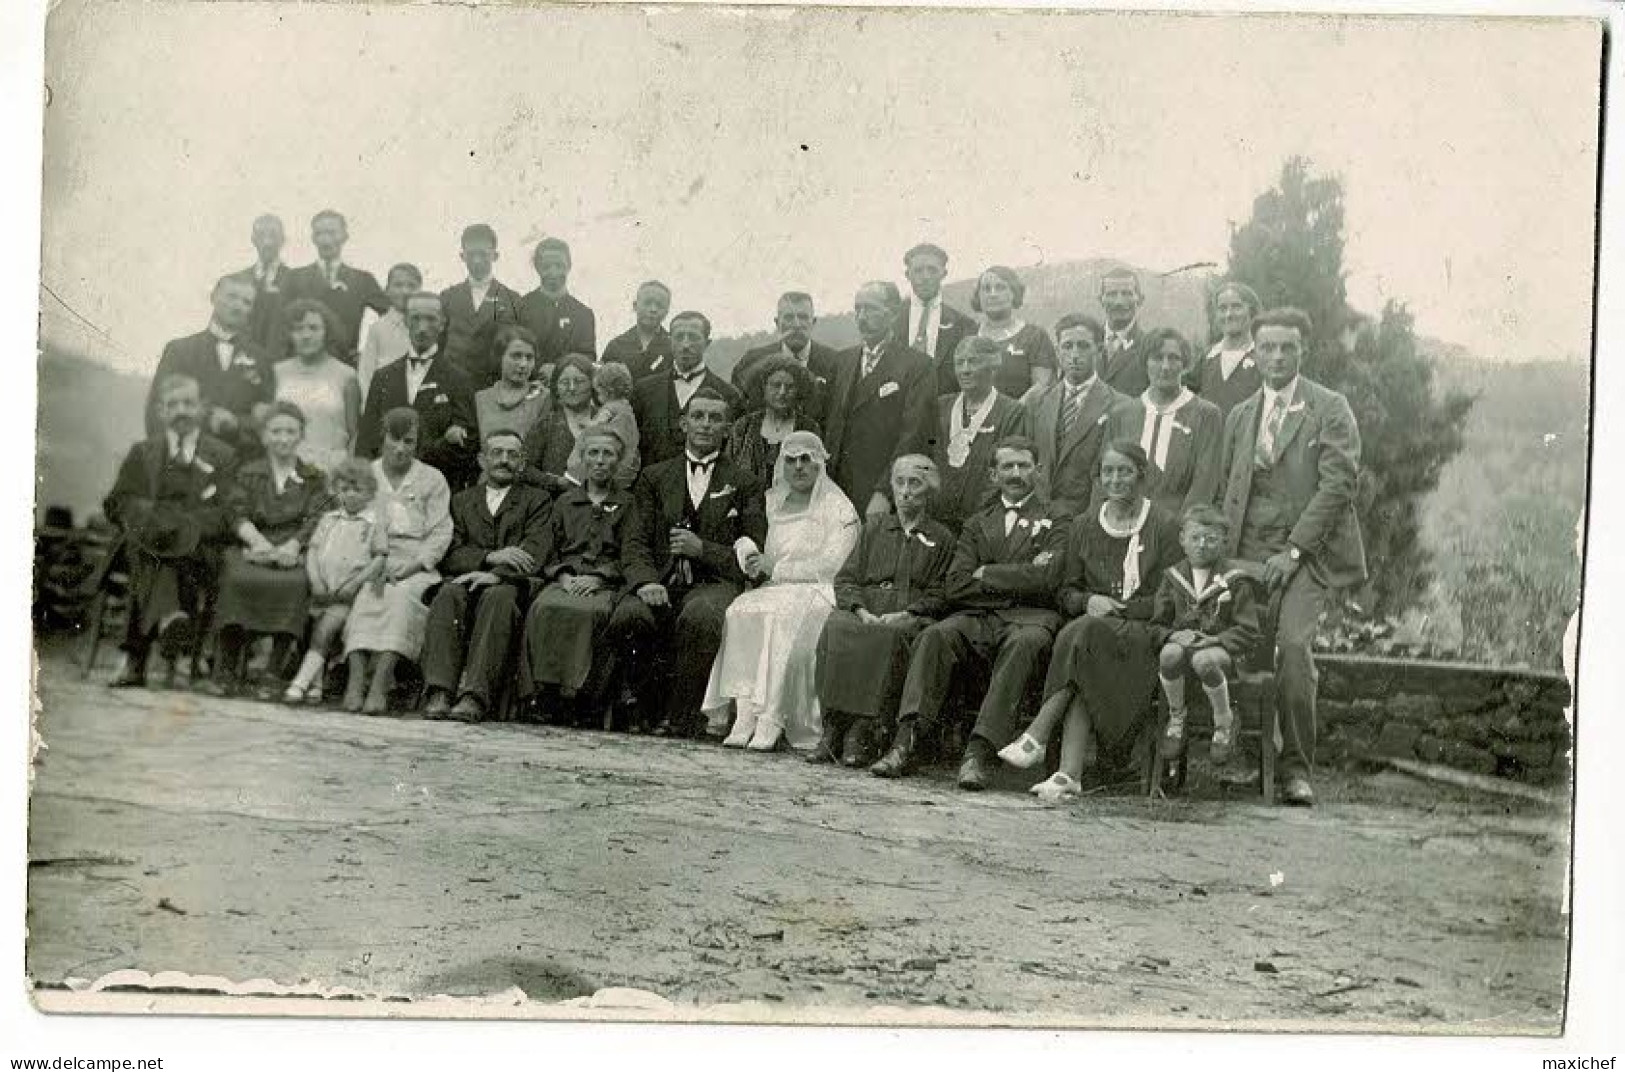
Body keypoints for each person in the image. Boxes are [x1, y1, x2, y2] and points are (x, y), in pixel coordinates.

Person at [1216, 307, 1367, 806]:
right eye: (1267, 348)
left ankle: (1296, 768)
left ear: (1303, 351)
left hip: (1306, 555)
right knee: (1232, 643)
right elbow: (1228, 491)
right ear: (1254, 354)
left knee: (1295, 650)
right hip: (1245, 552)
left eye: (1287, 347)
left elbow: (1338, 484)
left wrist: (1295, 549)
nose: (1277, 357)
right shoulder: (1240, 416)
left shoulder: (1329, 407)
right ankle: (1242, 755)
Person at [871, 437, 1066, 789]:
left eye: (1024, 466)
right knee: (936, 635)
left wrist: (988, 573)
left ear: (1037, 471)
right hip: (977, 617)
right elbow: (956, 585)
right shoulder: (977, 523)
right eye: (1007, 466)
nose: (1016, 473)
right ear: (993, 474)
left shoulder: (1056, 519)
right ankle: (906, 741)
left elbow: (1049, 579)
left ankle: (979, 753)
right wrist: (1023, 574)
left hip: (1031, 618)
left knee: (1023, 644)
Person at [997, 441, 1182, 802]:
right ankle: (1068, 775)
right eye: (1108, 471)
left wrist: (1119, 610)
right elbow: (1066, 592)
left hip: (1143, 636)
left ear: (1141, 476)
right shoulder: (1083, 525)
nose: (1116, 479)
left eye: (1125, 471)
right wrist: (1088, 600)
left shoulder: (1164, 525)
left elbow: (1170, 599)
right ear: (1099, 477)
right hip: (1093, 646)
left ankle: (1037, 734)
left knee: (1083, 633)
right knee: (1085, 645)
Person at [609, 387, 767, 736]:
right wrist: (647, 582)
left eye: (715, 418)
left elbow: (753, 552)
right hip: (660, 578)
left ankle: (680, 715)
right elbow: (634, 540)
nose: (706, 425)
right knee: (630, 614)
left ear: (727, 428)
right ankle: (640, 709)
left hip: (713, 582)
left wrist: (703, 550)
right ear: (684, 423)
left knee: (700, 615)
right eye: (698, 416)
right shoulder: (653, 477)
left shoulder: (745, 483)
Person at [704, 431, 860, 752]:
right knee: (741, 609)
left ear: (819, 464)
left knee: (781, 614)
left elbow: (834, 564)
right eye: (791, 460)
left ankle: (772, 716)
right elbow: (752, 541)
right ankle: (745, 710)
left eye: (807, 460)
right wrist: (748, 552)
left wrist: (775, 569)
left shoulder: (839, 508)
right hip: (776, 587)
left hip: (819, 590)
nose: (799, 467)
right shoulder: (772, 502)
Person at [813, 455, 955, 767]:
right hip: (867, 608)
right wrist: (859, 609)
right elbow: (846, 578)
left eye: (914, 483)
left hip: (908, 616)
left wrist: (909, 611)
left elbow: (941, 591)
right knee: (838, 624)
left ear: (929, 490)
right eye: (899, 482)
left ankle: (862, 731)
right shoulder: (875, 528)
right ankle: (834, 726)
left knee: (888, 636)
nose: (905, 491)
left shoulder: (942, 538)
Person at [104, 375, 238, 688]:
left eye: (188, 403)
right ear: (161, 412)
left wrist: (183, 527)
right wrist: (147, 517)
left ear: (202, 408)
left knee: (161, 561)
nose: (181, 410)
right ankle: (172, 628)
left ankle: (135, 660)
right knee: (151, 554)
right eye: (173, 404)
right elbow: (117, 502)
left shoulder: (222, 455)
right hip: (147, 540)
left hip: (196, 548)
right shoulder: (143, 452)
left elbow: (227, 512)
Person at [421, 430, 552, 722]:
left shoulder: (538, 500)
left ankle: (475, 695)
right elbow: (450, 550)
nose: (504, 460)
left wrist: (497, 574)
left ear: (522, 462)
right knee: (448, 593)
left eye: (512, 454)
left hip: (512, 583)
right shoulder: (462, 501)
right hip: (467, 577)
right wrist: (488, 557)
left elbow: (535, 549)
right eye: (497, 453)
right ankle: (440, 690)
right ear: (482, 460)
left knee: (498, 598)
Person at [204, 401, 329, 698]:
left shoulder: (313, 477)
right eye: (276, 431)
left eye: (290, 431)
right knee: (236, 578)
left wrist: (293, 545)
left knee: (297, 582)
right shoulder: (248, 473)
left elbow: (317, 516)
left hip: (293, 548)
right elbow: (236, 512)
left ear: (301, 435)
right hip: (251, 545)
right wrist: (258, 542)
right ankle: (228, 667)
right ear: (264, 436)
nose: (283, 438)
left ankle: (274, 670)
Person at [518, 429, 637, 723]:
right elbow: (550, 549)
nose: (600, 461)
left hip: (605, 582)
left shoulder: (630, 504)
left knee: (594, 612)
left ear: (619, 461)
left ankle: (585, 698)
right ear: (582, 459)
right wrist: (563, 578)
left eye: (607, 454)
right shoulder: (563, 502)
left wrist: (599, 578)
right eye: (593, 453)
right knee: (545, 607)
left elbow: (633, 552)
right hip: (565, 578)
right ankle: (546, 695)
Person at [343, 407, 454, 714]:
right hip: (372, 558)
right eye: (394, 439)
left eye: (409, 441)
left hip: (414, 564)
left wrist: (414, 565)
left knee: (401, 598)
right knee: (368, 594)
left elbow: (440, 531)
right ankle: (355, 680)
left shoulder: (432, 479)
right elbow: (355, 523)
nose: (401, 448)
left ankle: (380, 681)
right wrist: (375, 561)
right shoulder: (368, 475)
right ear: (383, 438)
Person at [1151, 505, 1263, 765]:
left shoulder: (1234, 581)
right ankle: (1177, 716)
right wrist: (1172, 636)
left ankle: (1224, 722)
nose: (1202, 545)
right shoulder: (1173, 578)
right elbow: (1156, 625)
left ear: (1224, 542)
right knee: (1168, 655)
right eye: (1195, 538)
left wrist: (1217, 639)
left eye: (1211, 539)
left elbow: (1249, 630)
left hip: (1221, 653)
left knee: (1204, 660)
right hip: (1182, 650)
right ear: (1182, 540)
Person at [822, 282, 935, 519]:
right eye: (858, 309)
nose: (862, 317)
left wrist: (885, 491)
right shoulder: (842, 362)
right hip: (836, 491)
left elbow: (914, 435)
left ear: (893, 313)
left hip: (881, 492)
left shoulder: (917, 366)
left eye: (871, 309)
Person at [284, 459, 388, 704]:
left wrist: (356, 582)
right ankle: (316, 686)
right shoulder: (329, 519)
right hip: (322, 590)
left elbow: (380, 558)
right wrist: (316, 579)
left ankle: (299, 683)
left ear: (370, 492)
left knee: (325, 631)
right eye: (345, 489)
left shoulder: (373, 524)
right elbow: (312, 550)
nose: (350, 495)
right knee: (313, 632)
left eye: (358, 489)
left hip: (346, 594)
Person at [905, 335, 1029, 530]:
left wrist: (977, 522)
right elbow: (924, 460)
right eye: (959, 363)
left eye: (973, 362)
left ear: (993, 367)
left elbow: (1005, 473)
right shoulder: (941, 406)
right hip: (934, 521)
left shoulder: (1012, 412)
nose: (965, 370)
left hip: (983, 525)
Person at [357, 291, 478, 489]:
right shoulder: (383, 377)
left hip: (436, 487)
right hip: (386, 486)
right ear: (405, 321)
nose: (422, 328)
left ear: (443, 323)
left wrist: (418, 457)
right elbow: (367, 440)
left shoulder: (459, 380)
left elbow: (467, 444)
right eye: (415, 318)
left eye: (431, 319)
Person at [145, 273, 274, 452]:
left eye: (247, 302)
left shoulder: (261, 360)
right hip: (185, 460)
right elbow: (156, 412)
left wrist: (236, 424)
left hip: (239, 463)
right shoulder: (180, 350)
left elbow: (268, 420)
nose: (238, 306)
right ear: (213, 297)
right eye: (232, 297)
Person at [1024, 313, 1135, 518]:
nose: (1074, 355)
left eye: (1083, 346)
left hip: (1085, 519)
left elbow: (1111, 476)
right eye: (1067, 346)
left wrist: (1089, 523)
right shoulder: (1037, 401)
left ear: (1099, 350)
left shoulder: (1121, 406)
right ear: (1057, 352)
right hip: (1037, 515)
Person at [1106, 327, 1224, 517]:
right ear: (1145, 363)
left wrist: (1178, 528)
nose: (1165, 366)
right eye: (1157, 358)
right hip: (1126, 522)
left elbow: (1205, 484)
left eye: (1174, 358)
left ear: (1185, 364)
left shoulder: (1206, 414)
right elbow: (1107, 475)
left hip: (1178, 528)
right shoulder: (1122, 413)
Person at [631, 311, 743, 465]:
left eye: (693, 337)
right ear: (670, 341)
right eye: (679, 337)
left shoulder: (729, 394)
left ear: (707, 342)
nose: (685, 345)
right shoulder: (643, 390)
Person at [283, 209, 391, 362]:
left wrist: (371, 354)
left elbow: (392, 318)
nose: (326, 240)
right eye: (320, 234)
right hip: (302, 366)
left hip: (344, 366)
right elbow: (279, 325)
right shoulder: (294, 278)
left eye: (332, 233)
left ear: (344, 237)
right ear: (313, 238)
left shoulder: (362, 279)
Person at [272, 298, 362, 475]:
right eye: (298, 329)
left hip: (331, 470)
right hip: (287, 469)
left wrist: (347, 472)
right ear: (289, 334)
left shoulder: (346, 375)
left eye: (313, 328)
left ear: (326, 333)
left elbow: (354, 434)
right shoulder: (277, 372)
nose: (306, 335)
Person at [729, 292, 840, 424]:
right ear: (777, 322)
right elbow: (737, 412)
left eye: (803, 317)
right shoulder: (752, 361)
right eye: (789, 317)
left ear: (813, 322)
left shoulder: (836, 362)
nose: (796, 324)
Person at [440, 223, 524, 388]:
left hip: (495, 387)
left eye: (483, 254)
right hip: (454, 388)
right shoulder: (447, 297)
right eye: (471, 254)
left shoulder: (512, 299)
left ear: (495, 255)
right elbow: (439, 344)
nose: (477, 260)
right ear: (462, 256)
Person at [724, 354, 823, 487]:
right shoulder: (743, 426)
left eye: (789, 387)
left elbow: (816, 477)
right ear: (762, 387)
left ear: (799, 391)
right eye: (776, 385)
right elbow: (727, 473)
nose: (782, 392)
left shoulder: (809, 428)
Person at [897, 243, 978, 397]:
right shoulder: (889, 321)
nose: (926, 277)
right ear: (908, 275)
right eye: (918, 270)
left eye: (932, 270)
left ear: (944, 273)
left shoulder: (964, 325)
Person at [971, 265, 1056, 401]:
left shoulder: (1034, 336)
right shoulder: (968, 334)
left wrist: (1010, 415)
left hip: (1018, 417)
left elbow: (1042, 386)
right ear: (978, 296)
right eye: (986, 289)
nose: (993, 294)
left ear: (1014, 293)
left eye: (1000, 287)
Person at [517, 237, 597, 373]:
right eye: (546, 266)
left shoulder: (583, 314)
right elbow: (512, 352)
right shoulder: (520, 308)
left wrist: (559, 369)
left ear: (569, 266)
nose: (553, 272)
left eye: (559, 265)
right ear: (537, 268)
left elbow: (588, 357)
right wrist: (539, 369)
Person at [1188, 280, 1264, 418]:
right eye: (1222, 308)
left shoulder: (1263, 357)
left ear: (1251, 310)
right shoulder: (1207, 357)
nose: (1229, 314)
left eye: (1236, 307)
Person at [522, 353, 598, 492]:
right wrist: (555, 482)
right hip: (554, 507)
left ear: (592, 383)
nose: (572, 388)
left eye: (579, 381)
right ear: (556, 387)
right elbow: (524, 468)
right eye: (564, 382)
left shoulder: (606, 420)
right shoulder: (546, 425)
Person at [564, 361, 641, 490]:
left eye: (598, 393)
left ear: (607, 391)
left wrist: (584, 423)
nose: (597, 397)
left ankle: (576, 479)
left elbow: (597, 425)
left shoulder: (610, 407)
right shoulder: (626, 407)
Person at [473, 325, 551, 445]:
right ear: (500, 357)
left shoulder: (543, 398)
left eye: (529, 357)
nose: (523, 364)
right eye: (516, 356)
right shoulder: (481, 398)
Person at [359, 263, 422, 407]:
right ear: (387, 290)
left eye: (411, 286)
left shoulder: (428, 328)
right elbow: (366, 374)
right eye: (398, 285)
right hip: (386, 404)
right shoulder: (378, 329)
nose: (405, 291)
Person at [235, 214, 292, 351]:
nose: (267, 243)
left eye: (273, 236)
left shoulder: (296, 279)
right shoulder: (238, 280)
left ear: (283, 240)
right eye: (261, 236)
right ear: (253, 240)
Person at [1096, 268, 1155, 398]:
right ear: (1101, 300)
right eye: (1112, 294)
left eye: (1127, 294)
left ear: (1140, 300)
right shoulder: (1086, 343)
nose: (1119, 302)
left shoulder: (1151, 349)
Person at [600, 280, 675, 381]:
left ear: (667, 311)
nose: (653, 309)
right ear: (635, 306)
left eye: (659, 305)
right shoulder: (616, 346)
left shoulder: (673, 346)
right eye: (647, 303)